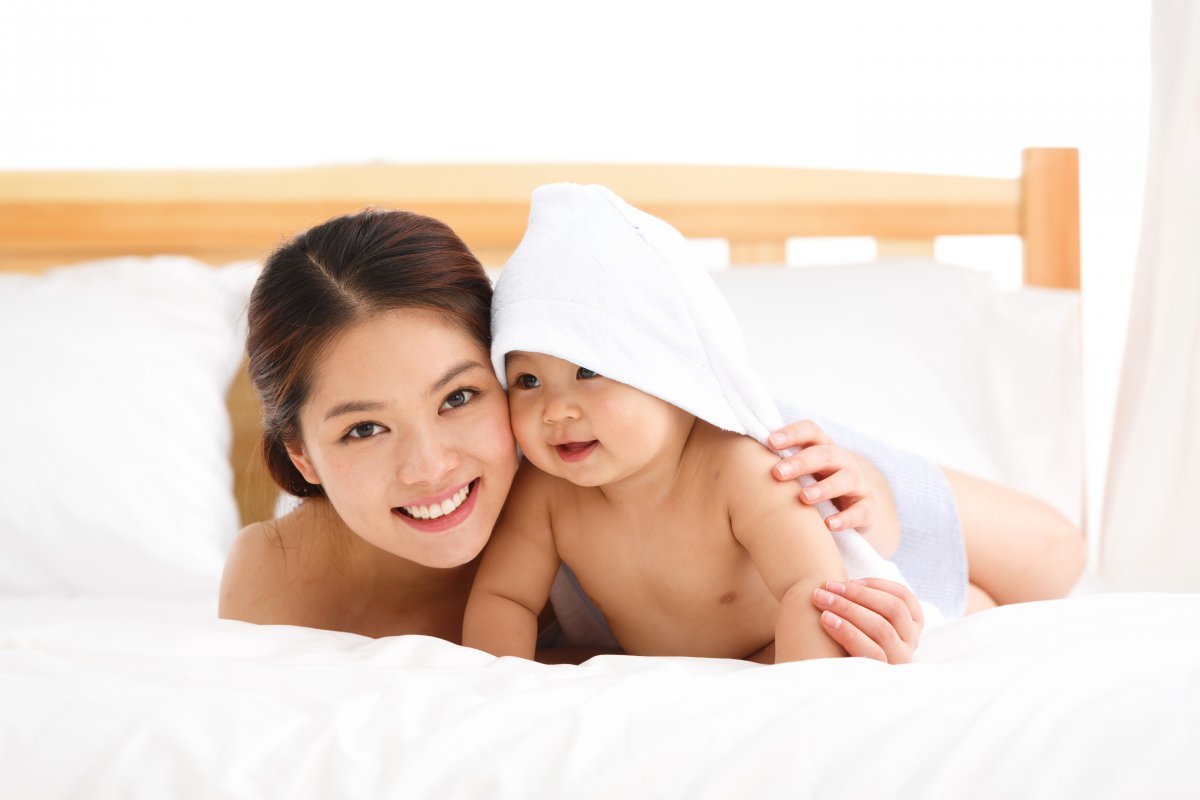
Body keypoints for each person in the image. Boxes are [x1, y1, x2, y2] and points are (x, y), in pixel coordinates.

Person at [217, 205, 1080, 663]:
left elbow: (1058, 563)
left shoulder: (637, 450)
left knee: (1027, 568)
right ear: (301, 454)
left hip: (798, 491)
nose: (430, 464)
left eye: (460, 398)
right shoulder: (274, 585)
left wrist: (876, 511)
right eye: (365, 429)